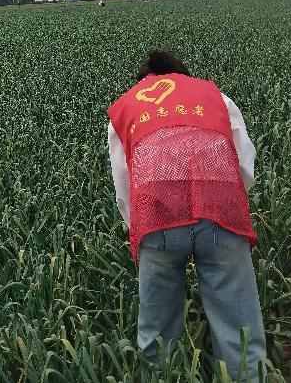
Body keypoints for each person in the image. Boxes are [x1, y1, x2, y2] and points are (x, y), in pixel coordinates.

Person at [107, 50, 266, 378]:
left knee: (157, 331)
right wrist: (226, 202)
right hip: (220, 211)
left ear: (144, 79)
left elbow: (125, 183)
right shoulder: (215, 97)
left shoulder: (127, 105)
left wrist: (137, 228)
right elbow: (243, 165)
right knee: (239, 327)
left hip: (156, 218)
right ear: (184, 75)